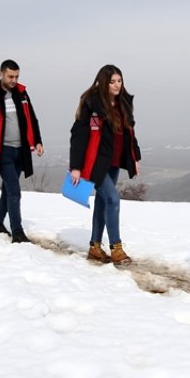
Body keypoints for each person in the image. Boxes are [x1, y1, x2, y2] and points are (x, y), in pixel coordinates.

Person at [69, 65, 141, 265]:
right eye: (112, 82)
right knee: (113, 198)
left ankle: (94, 247)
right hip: (96, 162)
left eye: (119, 81)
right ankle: (116, 248)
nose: (117, 85)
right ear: (104, 83)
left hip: (115, 160)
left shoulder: (123, 103)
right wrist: (75, 166)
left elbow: (130, 132)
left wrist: (135, 158)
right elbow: (78, 134)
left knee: (102, 202)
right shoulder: (91, 104)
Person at [0, 59, 44, 243]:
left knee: (7, 190)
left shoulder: (22, 94)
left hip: (21, 151)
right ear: (1, 74)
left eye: (17, 76)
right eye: (10, 76)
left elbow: (32, 118)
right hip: (1, 152)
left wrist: (37, 141)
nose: (14, 80)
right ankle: (18, 232)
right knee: (14, 190)